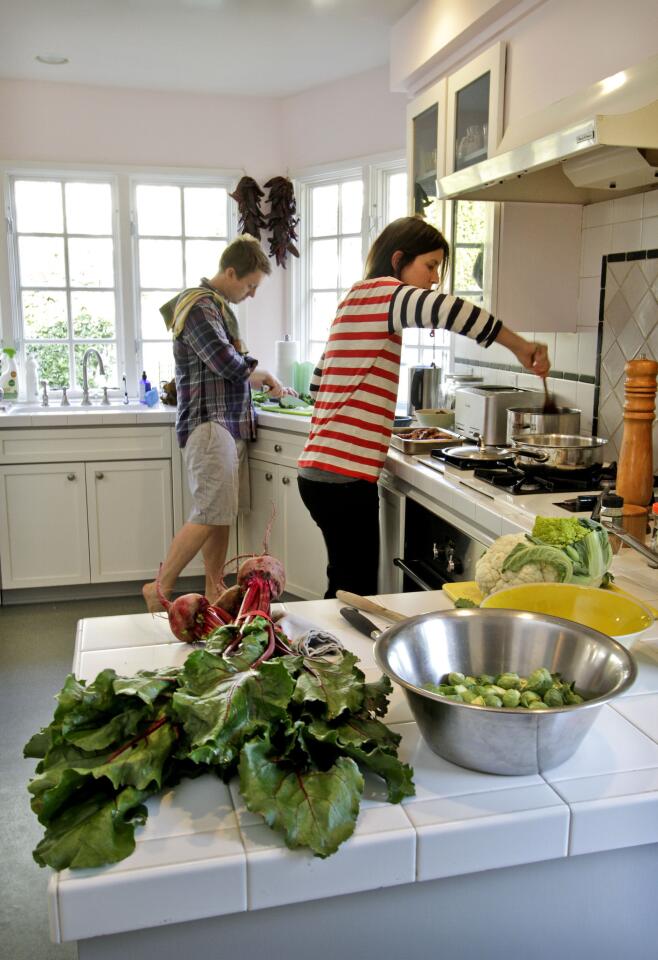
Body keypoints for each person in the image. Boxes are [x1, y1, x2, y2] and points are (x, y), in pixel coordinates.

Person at [297, 216, 551, 599]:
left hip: (318, 473)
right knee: (355, 592)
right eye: (430, 266)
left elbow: (317, 383)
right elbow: (451, 311)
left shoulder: (353, 298)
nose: (434, 278)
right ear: (398, 260)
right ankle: (334, 657)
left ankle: (325, 654)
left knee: (344, 582)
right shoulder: (388, 294)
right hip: (344, 477)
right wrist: (521, 347)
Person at [142, 235, 292, 612]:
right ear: (230, 272)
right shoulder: (200, 307)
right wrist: (262, 375)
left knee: (220, 513)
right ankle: (158, 587)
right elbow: (227, 363)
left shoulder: (215, 308)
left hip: (224, 424)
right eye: (250, 285)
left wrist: (258, 379)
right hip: (209, 423)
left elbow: (230, 368)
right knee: (210, 511)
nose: (252, 294)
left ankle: (213, 590)